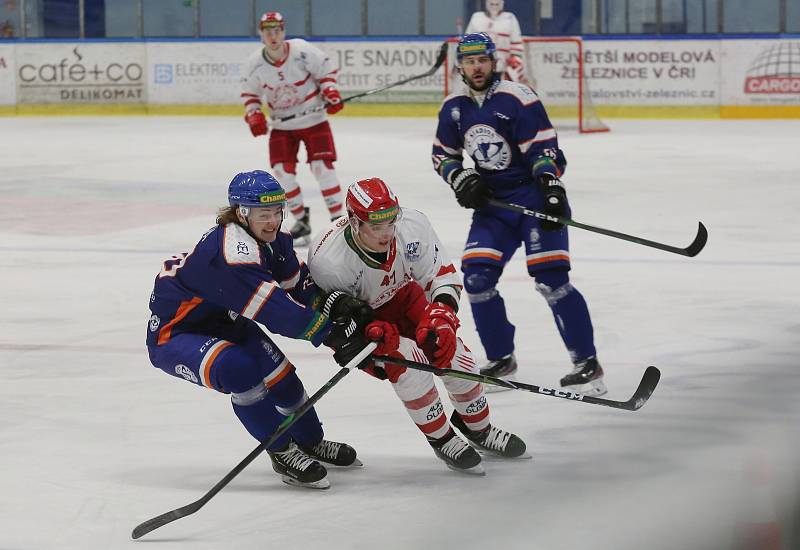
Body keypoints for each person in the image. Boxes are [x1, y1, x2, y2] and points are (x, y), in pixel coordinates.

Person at [145, 170, 371, 490]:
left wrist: (333, 304)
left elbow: (299, 285)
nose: (272, 221)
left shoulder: (274, 240)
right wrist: (330, 335)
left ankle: (309, 441)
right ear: (241, 214)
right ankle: (281, 451)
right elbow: (276, 310)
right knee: (241, 370)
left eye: (277, 212)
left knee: (284, 380)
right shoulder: (231, 253)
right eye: (263, 214)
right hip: (177, 334)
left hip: (225, 320)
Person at [307, 177, 529, 475]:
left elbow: (441, 277)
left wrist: (441, 316)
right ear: (354, 222)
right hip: (370, 321)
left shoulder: (413, 225)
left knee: (454, 355)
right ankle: (441, 437)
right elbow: (335, 325)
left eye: (390, 222)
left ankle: (479, 429)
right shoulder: (328, 260)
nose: (387, 233)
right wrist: (365, 335)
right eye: (376, 226)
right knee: (408, 367)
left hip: (405, 296)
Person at [431, 33, 607, 396]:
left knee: (551, 279)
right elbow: (442, 154)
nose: (476, 67)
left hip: (533, 199)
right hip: (493, 206)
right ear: (460, 65)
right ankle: (500, 360)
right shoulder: (453, 107)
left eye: (482, 60)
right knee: (477, 278)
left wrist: (551, 186)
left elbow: (545, 149)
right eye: (469, 61)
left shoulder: (518, 98)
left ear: (494, 61)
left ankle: (587, 363)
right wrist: (461, 177)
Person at [240, 11, 346, 246]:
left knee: (322, 168)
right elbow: (250, 94)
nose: (273, 35)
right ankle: (301, 220)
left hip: (314, 119)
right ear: (261, 34)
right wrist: (254, 114)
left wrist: (330, 91)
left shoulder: (301, 50)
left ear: (283, 31)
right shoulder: (254, 63)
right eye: (268, 31)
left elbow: (326, 70)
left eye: (277, 30)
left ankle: (338, 221)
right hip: (282, 124)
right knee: (282, 173)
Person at [465, 0, 525, 83]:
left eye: (497, 4)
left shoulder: (509, 18)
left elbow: (516, 44)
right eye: (492, 3)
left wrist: (514, 62)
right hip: (480, 65)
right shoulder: (477, 18)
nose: (494, 6)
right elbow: (467, 42)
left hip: (502, 66)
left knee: (501, 91)